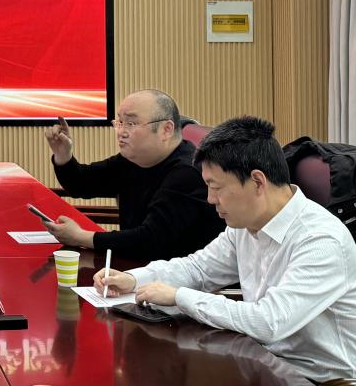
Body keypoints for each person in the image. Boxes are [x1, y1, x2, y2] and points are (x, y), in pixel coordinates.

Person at [96, 116, 356, 383]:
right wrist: (134, 278)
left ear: (257, 182)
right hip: (266, 364)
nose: (210, 199)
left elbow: (269, 322)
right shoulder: (245, 224)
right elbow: (199, 269)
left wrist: (179, 297)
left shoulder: (320, 240)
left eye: (216, 187)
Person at [42, 89, 222, 260]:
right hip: (139, 267)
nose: (121, 132)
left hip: (179, 276)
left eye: (131, 123)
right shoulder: (132, 160)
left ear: (166, 129)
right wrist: (63, 155)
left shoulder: (188, 172)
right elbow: (81, 184)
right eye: (119, 122)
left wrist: (80, 237)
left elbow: (150, 240)